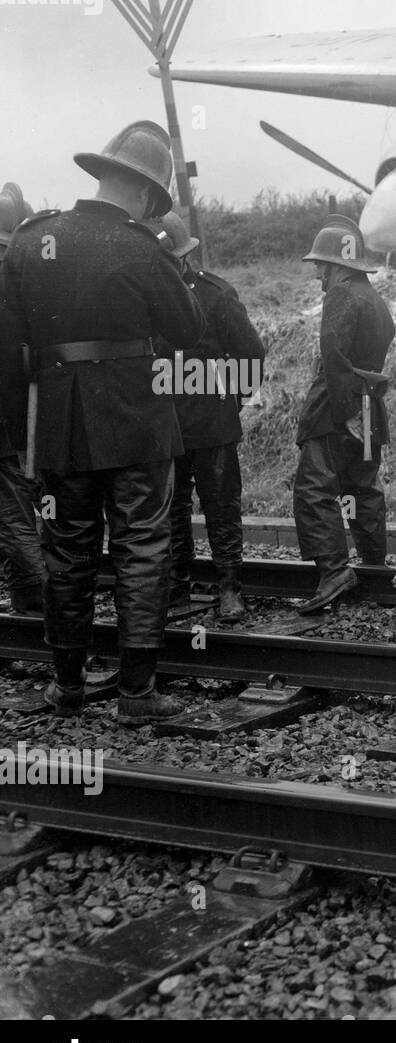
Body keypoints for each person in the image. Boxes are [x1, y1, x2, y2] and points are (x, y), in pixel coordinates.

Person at [1, 121, 204, 725]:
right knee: (143, 543)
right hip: (137, 419)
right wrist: (174, 255)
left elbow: (10, 350)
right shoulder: (143, 246)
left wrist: (24, 437)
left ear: (102, 174)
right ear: (145, 195)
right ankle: (136, 697)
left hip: (60, 423)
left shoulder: (33, 240)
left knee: (67, 548)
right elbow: (189, 330)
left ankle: (67, 689)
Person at [151, 211, 263, 623]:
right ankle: (177, 585)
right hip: (165, 420)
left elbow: (252, 353)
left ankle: (230, 587)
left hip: (212, 417)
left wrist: (231, 399)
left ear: (184, 258)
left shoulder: (215, 294)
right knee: (171, 507)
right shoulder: (146, 298)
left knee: (220, 504)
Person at [293, 215, 395, 612]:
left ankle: (334, 573)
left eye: (321, 263)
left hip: (337, 411)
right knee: (363, 489)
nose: (317, 271)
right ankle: (373, 569)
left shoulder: (340, 295)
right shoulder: (376, 299)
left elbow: (333, 355)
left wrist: (345, 412)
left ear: (339, 265)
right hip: (371, 408)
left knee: (314, 490)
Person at [0, 181, 43, 616]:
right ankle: (29, 598)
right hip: (19, 424)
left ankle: (37, 596)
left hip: (8, 426)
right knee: (18, 511)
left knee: (11, 515)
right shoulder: (21, 283)